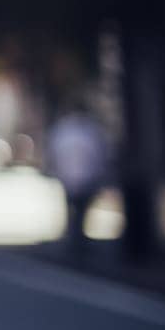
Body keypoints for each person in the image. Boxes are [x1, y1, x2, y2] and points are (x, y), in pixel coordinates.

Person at [47, 106, 110, 256]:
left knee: (75, 211)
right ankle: (77, 241)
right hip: (82, 177)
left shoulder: (64, 131)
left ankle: (75, 240)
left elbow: (54, 154)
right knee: (80, 211)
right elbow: (99, 154)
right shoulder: (87, 131)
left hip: (72, 177)